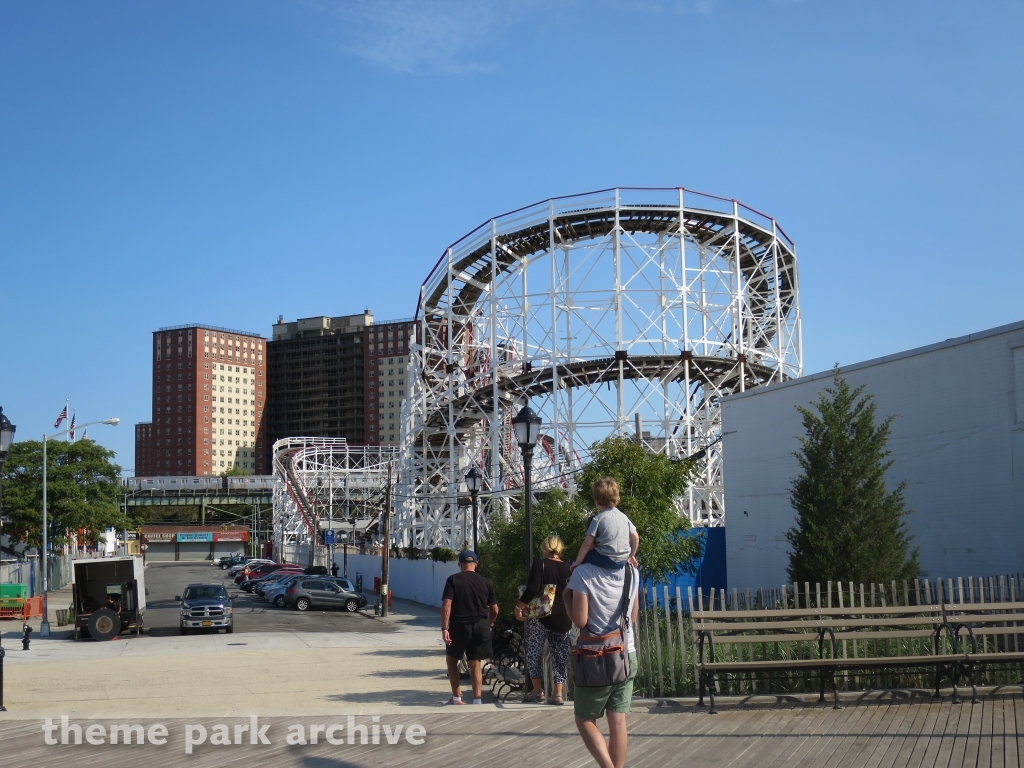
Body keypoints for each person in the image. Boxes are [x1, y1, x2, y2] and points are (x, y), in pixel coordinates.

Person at [563, 552, 640, 768]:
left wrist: (566, 598)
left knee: (584, 719)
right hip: (625, 653)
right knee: (618, 721)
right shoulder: (631, 570)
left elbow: (580, 620)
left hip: (593, 658)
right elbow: (632, 617)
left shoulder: (583, 573)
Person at [515, 534, 572, 704]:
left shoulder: (541, 564)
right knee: (559, 654)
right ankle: (558, 693)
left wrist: (519, 606)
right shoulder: (569, 568)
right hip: (564, 617)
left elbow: (532, 589)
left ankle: (537, 690)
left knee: (533, 650)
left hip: (541, 616)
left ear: (544, 550)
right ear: (560, 550)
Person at [440, 550, 499, 705]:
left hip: (459, 626)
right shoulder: (486, 583)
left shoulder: (453, 580)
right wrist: (487, 624)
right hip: (480, 626)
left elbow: (447, 604)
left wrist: (445, 628)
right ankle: (477, 700)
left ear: (460, 564)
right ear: (476, 564)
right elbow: (495, 610)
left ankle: (457, 698)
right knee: (475, 662)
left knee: (452, 661)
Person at [571, 477, 639, 571]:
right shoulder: (624, 517)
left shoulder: (598, 519)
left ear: (597, 500)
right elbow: (635, 537)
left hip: (605, 558)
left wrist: (578, 562)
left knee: (587, 557)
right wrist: (632, 555)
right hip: (622, 560)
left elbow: (587, 543)